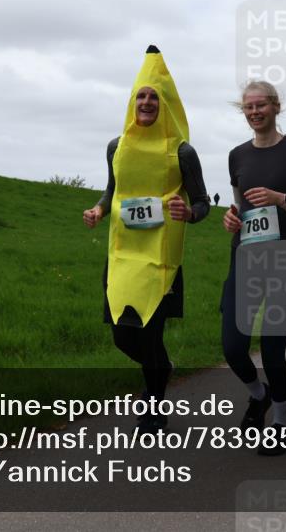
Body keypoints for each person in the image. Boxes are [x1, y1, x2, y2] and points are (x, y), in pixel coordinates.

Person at [83, 45, 209, 434]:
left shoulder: (182, 152)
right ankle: (163, 371)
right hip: (122, 255)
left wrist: (188, 212)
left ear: (165, 104)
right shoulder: (116, 147)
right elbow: (112, 190)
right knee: (123, 336)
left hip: (160, 260)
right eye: (141, 95)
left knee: (150, 336)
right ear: (132, 102)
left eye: (155, 96)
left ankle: (154, 408)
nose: (147, 101)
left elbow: (203, 202)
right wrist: (100, 209)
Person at [219, 80, 286, 456]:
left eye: (261, 105)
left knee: (272, 348)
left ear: (275, 107)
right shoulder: (237, 155)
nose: (254, 112)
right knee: (232, 347)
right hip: (246, 260)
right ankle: (258, 395)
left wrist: (282, 199)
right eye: (248, 107)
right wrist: (232, 219)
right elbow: (241, 208)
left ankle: (281, 424)